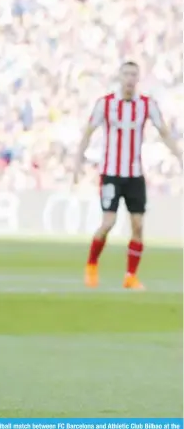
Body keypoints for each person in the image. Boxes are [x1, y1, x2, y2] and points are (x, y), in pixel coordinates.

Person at [73, 61, 182, 290]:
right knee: (108, 223)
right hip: (111, 174)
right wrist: (77, 163)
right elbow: (88, 133)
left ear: (138, 78)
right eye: (126, 74)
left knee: (138, 225)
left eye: (134, 74)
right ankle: (92, 264)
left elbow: (164, 132)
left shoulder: (146, 105)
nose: (130, 78)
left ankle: (130, 276)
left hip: (134, 175)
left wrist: (180, 156)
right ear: (119, 77)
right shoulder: (105, 104)